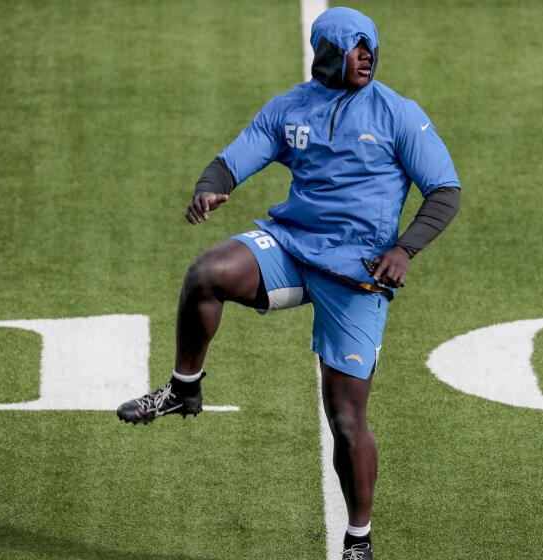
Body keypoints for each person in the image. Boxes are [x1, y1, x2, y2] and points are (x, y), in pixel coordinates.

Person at [117, 7, 460, 559]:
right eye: (354, 46)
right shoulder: (290, 109)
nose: (366, 55)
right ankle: (184, 390)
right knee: (206, 273)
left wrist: (404, 249)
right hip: (294, 246)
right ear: (327, 53)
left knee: (346, 422)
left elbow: (444, 190)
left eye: (370, 45)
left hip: (358, 271)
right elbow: (234, 158)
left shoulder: (398, 114)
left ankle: (358, 541)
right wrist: (210, 187)